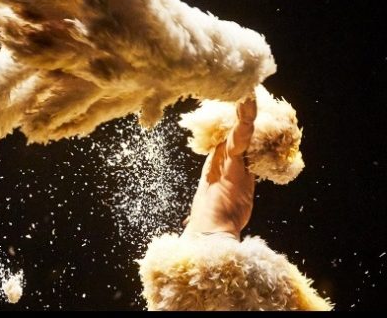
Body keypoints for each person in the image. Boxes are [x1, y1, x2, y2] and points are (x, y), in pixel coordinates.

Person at [138, 92, 334, 311]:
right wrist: (246, 103)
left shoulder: (216, 156)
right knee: (288, 294)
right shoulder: (233, 150)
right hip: (216, 256)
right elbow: (243, 128)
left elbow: (209, 204)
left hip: (182, 257)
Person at [181, 92, 257, 242]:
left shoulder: (215, 155)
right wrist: (246, 88)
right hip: (216, 241)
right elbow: (245, 124)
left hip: (189, 240)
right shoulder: (231, 151)